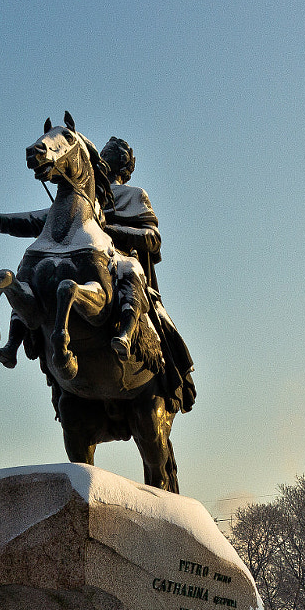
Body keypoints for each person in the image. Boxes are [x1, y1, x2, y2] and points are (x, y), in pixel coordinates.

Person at [99, 137, 196, 414]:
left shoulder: (134, 195)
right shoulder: (88, 198)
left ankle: (132, 339)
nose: (100, 160)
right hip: (93, 265)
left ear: (121, 164)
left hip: (126, 269)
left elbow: (153, 239)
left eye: (106, 155)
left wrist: (111, 231)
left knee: (164, 328)